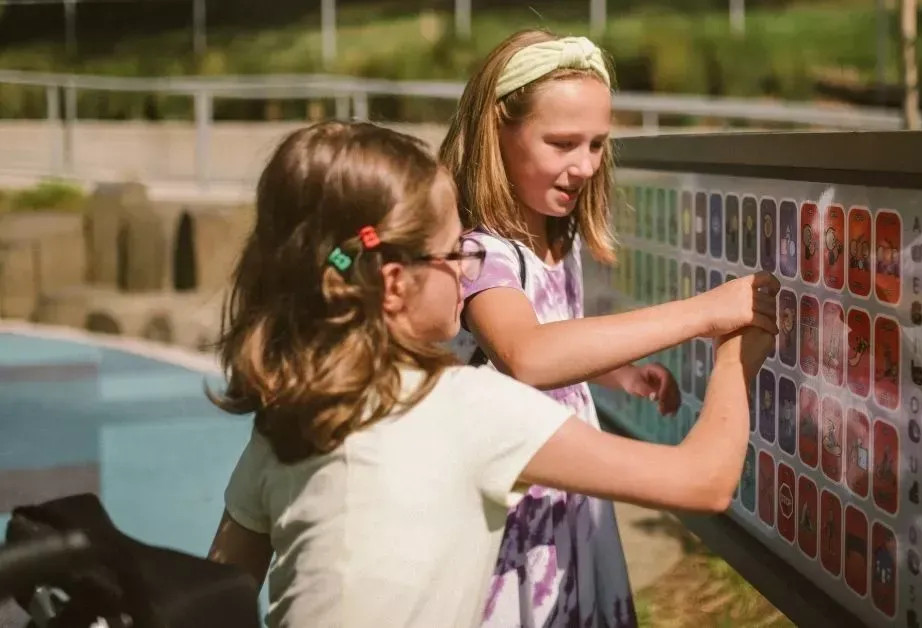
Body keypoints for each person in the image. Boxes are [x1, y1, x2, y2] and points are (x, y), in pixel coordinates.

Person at [205, 120, 780, 628]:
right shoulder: (464, 407)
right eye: (454, 252)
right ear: (395, 283)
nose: (467, 268)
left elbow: (218, 588)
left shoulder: (290, 416)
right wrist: (736, 352)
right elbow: (703, 480)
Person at [438, 29, 779, 627]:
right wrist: (703, 313)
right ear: (497, 131)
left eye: (597, 144)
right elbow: (526, 353)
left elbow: (555, 334)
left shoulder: (553, 234)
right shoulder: (480, 254)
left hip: (572, 510)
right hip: (514, 531)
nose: (585, 167)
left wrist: (616, 372)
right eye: (562, 143)